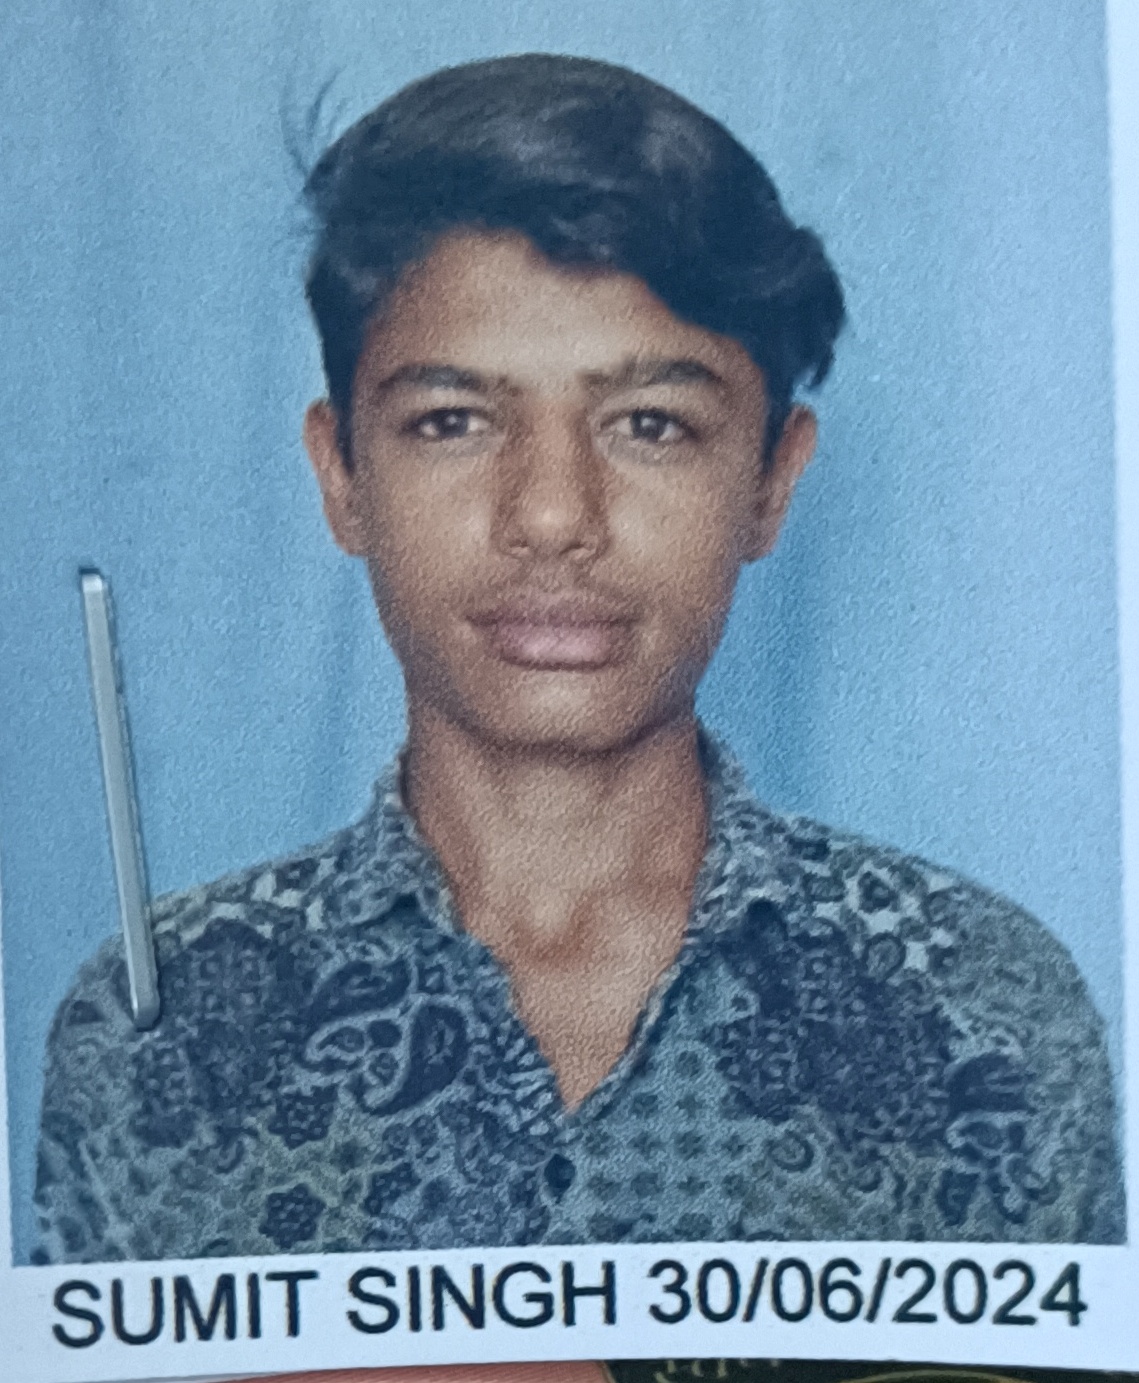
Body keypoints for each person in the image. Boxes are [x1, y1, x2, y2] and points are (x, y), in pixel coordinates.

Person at [33, 53, 1123, 1265]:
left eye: (649, 424)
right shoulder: (158, 1026)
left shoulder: (975, 1008)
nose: (552, 516)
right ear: (341, 475)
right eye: (452, 421)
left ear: (771, 478)